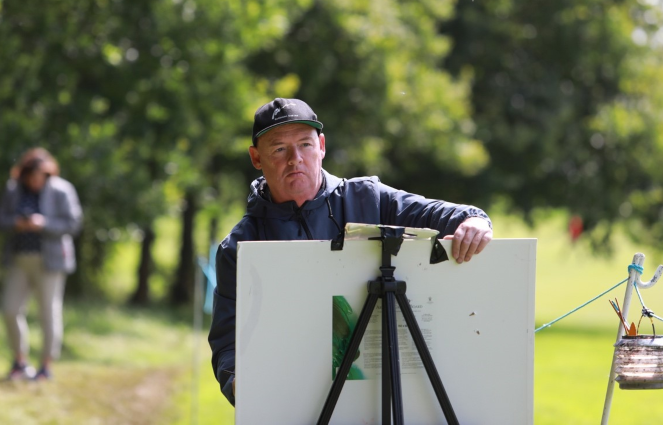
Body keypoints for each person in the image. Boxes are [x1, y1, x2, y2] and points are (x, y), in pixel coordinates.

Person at [208, 98, 493, 406]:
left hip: (376, 398)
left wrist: (474, 221)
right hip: (289, 401)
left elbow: (444, 213)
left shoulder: (367, 198)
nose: (295, 159)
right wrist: (239, 383)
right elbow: (227, 343)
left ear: (322, 146)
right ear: (256, 158)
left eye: (305, 144)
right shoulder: (238, 247)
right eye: (279, 149)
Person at [0, 148, 82, 381]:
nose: (34, 182)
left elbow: (73, 224)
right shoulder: (13, 189)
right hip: (19, 259)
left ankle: (45, 367)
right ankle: (20, 362)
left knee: (48, 313)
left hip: (50, 262)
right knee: (10, 309)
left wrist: (43, 224)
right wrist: (17, 223)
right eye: (30, 177)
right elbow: (0, 219)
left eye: (39, 177)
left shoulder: (61, 189)